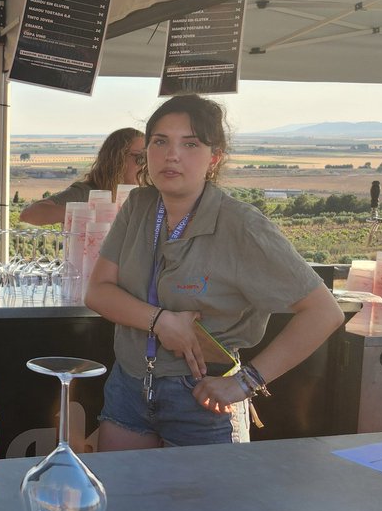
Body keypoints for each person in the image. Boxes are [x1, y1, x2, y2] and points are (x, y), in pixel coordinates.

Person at [84, 94, 345, 448]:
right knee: (124, 500)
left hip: (203, 397)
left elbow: (323, 312)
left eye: (190, 144)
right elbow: (98, 291)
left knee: (201, 505)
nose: (171, 155)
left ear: (214, 158)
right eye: (160, 141)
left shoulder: (241, 225)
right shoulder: (139, 206)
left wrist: (246, 382)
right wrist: (160, 321)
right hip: (129, 384)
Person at [18, 127, 144, 225]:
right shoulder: (89, 193)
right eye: (140, 158)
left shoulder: (147, 195)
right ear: (116, 159)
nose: (145, 165)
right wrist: (91, 214)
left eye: (148, 157)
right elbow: (29, 214)